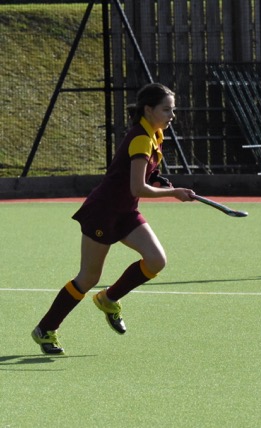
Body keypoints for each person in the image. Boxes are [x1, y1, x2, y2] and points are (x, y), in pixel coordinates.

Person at [31, 83, 195, 355]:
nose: (172, 115)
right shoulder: (141, 138)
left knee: (156, 260)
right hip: (103, 212)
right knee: (88, 277)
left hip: (125, 211)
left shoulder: (155, 133)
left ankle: (108, 299)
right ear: (149, 110)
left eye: (172, 109)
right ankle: (45, 329)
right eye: (166, 109)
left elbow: (140, 173)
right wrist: (174, 192)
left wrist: (157, 178)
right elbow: (137, 188)